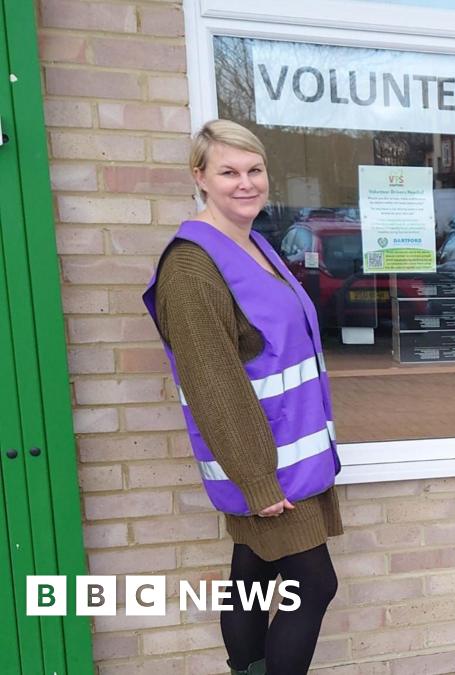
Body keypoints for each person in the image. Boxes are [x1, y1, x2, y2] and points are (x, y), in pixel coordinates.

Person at [143, 119, 343, 675]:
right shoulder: (191, 266)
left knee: (251, 574)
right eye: (228, 171)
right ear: (200, 177)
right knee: (314, 583)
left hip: (287, 455)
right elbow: (213, 384)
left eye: (254, 170)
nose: (245, 183)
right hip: (264, 463)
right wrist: (256, 478)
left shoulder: (254, 244)